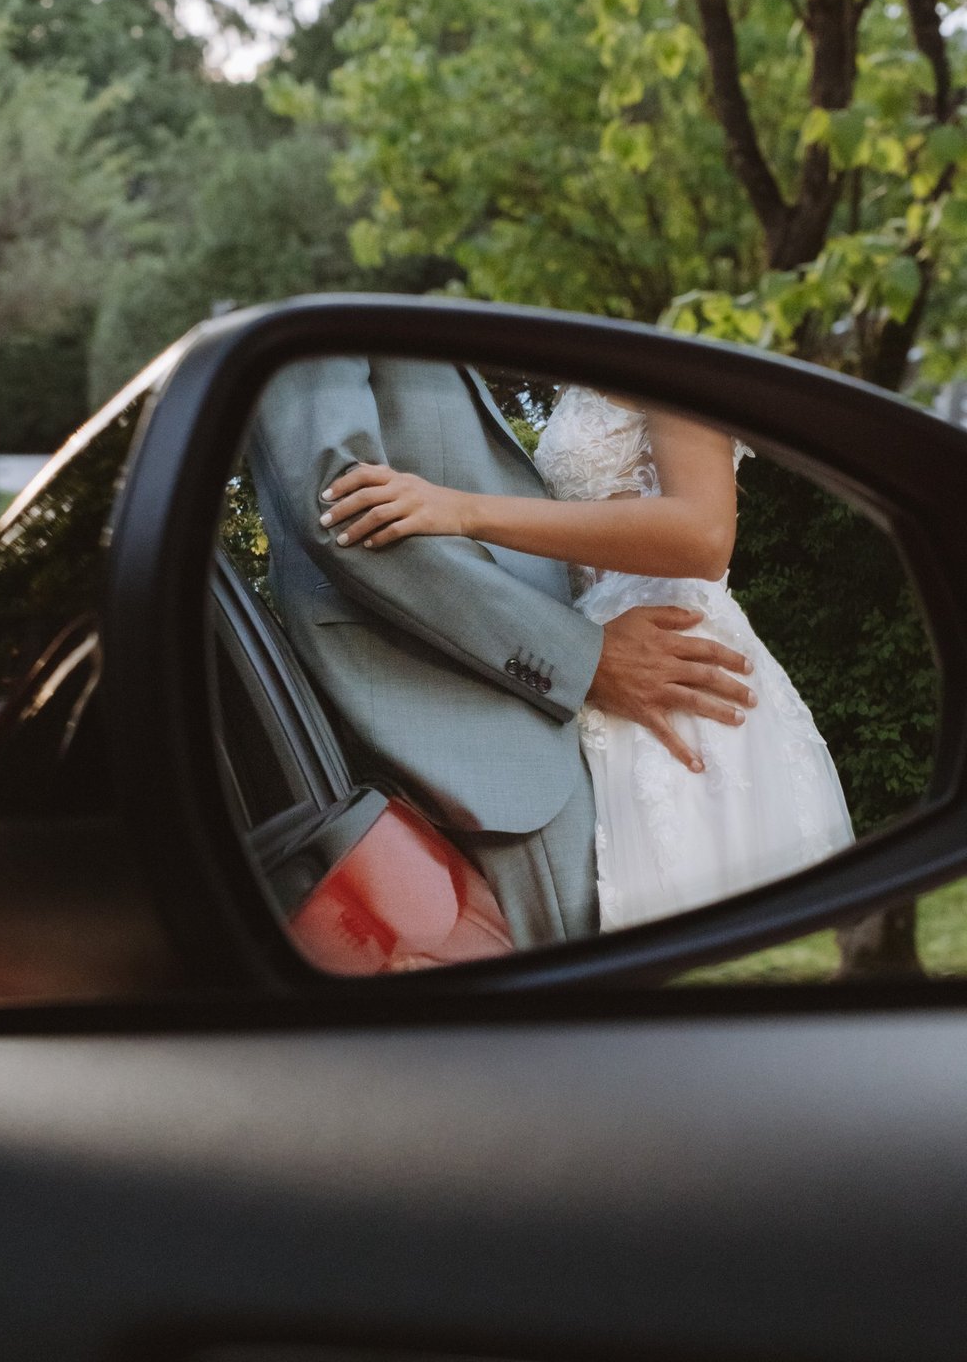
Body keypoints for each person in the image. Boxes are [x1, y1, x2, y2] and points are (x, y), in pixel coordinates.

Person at [247, 359, 756, 947]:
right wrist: (583, 658)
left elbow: (704, 533)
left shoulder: (658, 344)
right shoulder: (330, 300)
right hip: (501, 708)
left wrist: (580, 655)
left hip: (662, 678)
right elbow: (341, 504)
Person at [319, 383, 853, 930]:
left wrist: (462, 512)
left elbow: (704, 533)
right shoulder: (585, 373)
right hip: (610, 665)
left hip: (677, 665)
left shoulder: (663, 347)